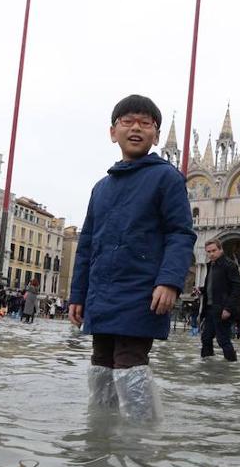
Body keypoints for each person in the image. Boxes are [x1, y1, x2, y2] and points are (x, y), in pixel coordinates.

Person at [68, 94, 196, 421]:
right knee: (100, 362)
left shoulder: (167, 178)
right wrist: (78, 295)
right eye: (128, 122)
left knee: (129, 362)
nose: (136, 128)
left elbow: (180, 233)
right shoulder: (101, 188)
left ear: (156, 134)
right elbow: (87, 245)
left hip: (141, 291)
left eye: (145, 123)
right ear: (113, 132)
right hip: (101, 292)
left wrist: (169, 281)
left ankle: (141, 442)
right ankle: (100, 433)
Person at [199, 239, 240, 361]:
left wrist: (228, 308)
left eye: (214, 250)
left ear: (220, 250)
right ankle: (207, 364)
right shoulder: (211, 265)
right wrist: (201, 290)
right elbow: (214, 286)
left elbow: (238, 287)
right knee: (206, 338)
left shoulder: (229, 265)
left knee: (223, 339)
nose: (211, 254)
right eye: (208, 252)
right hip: (210, 308)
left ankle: (232, 365)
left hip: (222, 309)